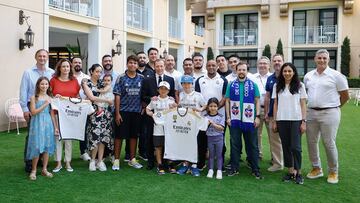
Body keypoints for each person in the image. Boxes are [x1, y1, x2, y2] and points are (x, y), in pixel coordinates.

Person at [304, 49, 349, 184]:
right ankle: (316, 168)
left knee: (329, 143)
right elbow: (307, 93)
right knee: (311, 142)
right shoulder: (308, 76)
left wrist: (334, 107)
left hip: (330, 113)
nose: (322, 60)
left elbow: (345, 96)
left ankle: (333, 171)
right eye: (319, 58)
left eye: (324, 58)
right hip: (311, 112)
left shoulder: (336, 75)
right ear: (315, 59)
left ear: (328, 60)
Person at [225, 61, 263, 179]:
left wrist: (257, 117)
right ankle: (234, 167)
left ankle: (255, 168)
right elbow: (227, 100)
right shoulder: (231, 84)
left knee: (252, 145)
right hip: (235, 120)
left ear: (247, 71)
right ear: (236, 71)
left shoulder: (253, 84)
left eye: (243, 70)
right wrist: (228, 117)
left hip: (250, 120)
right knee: (235, 144)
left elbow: (257, 101)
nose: (241, 72)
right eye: (239, 69)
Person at [19, 49, 54, 173]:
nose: (42, 58)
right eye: (40, 56)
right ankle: (29, 162)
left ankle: (42, 163)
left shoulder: (52, 72)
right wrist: (24, 109)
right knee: (32, 135)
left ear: (47, 58)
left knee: (45, 134)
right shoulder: (28, 72)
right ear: (36, 57)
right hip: (32, 105)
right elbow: (23, 91)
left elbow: (52, 90)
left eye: (44, 56)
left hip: (47, 106)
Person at [272, 63, 307, 184]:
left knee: (296, 147)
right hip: (282, 120)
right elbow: (275, 104)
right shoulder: (277, 86)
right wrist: (275, 121)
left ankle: (299, 172)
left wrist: (303, 121)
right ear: (282, 73)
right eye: (285, 71)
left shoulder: (300, 85)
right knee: (286, 146)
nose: (287, 73)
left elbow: (303, 104)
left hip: (296, 120)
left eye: (289, 71)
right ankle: (290, 171)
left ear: (294, 72)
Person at [141, 59, 175, 170]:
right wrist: (151, 98)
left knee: (167, 139)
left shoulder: (170, 79)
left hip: (167, 117)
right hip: (153, 114)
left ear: (164, 66)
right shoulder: (147, 80)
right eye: (157, 66)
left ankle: (165, 162)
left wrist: (171, 99)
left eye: (161, 66)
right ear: (154, 67)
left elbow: (173, 94)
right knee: (151, 138)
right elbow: (143, 95)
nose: (159, 68)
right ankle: (151, 161)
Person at [113, 55, 144, 170]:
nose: (133, 65)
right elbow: (117, 96)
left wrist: (143, 107)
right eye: (131, 62)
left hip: (136, 112)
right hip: (123, 111)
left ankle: (132, 159)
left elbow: (143, 96)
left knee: (133, 136)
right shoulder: (121, 78)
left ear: (137, 65)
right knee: (119, 136)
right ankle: (116, 160)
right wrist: (117, 113)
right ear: (127, 64)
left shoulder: (141, 78)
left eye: (135, 63)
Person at [195, 60, 228, 170]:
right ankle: (201, 162)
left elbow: (224, 97)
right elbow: (197, 97)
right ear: (206, 66)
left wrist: (214, 109)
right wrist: (206, 109)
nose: (211, 67)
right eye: (209, 65)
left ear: (217, 66)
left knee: (219, 140)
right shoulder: (200, 80)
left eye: (213, 65)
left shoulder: (223, 80)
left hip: (219, 115)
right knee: (202, 140)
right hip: (203, 116)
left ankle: (220, 164)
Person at [50, 59, 80, 173]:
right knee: (57, 138)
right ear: (59, 68)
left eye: (67, 66)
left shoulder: (74, 81)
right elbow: (49, 95)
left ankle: (68, 162)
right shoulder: (53, 80)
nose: (65, 68)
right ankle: (58, 163)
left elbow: (77, 97)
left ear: (70, 68)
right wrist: (55, 96)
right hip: (57, 114)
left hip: (70, 115)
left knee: (68, 139)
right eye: (63, 66)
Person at [82, 64, 114, 172]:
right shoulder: (86, 83)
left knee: (103, 137)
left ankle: (100, 161)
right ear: (91, 71)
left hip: (105, 114)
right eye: (96, 71)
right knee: (94, 137)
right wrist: (107, 101)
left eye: (100, 72)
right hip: (94, 113)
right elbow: (91, 97)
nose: (99, 74)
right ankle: (92, 160)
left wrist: (108, 100)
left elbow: (108, 90)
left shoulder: (102, 82)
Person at [26, 77, 57, 180]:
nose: (44, 86)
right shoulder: (34, 97)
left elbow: (52, 114)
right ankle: (34, 170)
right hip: (37, 124)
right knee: (37, 146)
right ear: (38, 85)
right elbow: (33, 112)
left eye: (46, 84)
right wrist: (45, 104)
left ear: (49, 86)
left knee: (47, 146)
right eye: (42, 84)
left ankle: (44, 169)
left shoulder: (50, 97)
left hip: (48, 124)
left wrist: (55, 127)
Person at [177, 75, 207, 176]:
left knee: (195, 144)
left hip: (196, 124)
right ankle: (185, 164)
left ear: (192, 84)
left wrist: (201, 110)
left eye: (188, 83)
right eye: (184, 83)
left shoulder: (198, 95)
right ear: (182, 84)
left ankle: (194, 165)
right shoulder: (181, 95)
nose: (186, 85)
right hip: (185, 124)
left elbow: (205, 105)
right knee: (185, 144)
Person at [146, 81, 176, 175]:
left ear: (168, 90)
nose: (163, 90)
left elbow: (176, 111)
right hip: (158, 126)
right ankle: (160, 165)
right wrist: (151, 114)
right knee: (158, 146)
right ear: (158, 89)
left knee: (170, 145)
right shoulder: (154, 100)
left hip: (169, 127)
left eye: (165, 89)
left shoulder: (171, 100)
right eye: (161, 88)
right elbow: (147, 109)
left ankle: (171, 164)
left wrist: (175, 106)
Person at [264, 54, 284, 172]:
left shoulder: (288, 75)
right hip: (273, 115)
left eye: (279, 60)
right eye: (275, 61)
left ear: (283, 61)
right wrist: (267, 112)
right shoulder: (270, 78)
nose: (277, 62)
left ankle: (290, 164)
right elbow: (267, 97)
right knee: (275, 141)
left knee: (287, 141)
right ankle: (277, 163)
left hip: (287, 115)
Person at [71, 56, 91, 161]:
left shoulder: (87, 77)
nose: (77, 64)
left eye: (79, 62)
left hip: (84, 108)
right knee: (69, 130)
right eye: (75, 62)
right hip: (70, 107)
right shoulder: (68, 77)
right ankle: (67, 154)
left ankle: (83, 152)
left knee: (84, 130)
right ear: (72, 64)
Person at [253, 56, 272, 160]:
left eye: (265, 63)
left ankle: (274, 156)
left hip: (270, 110)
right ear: (257, 65)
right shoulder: (252, 77)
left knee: (272, 135)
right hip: (257, 109)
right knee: (257, 134)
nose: (262, 65)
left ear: (269, 66)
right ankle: (258, 154)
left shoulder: (273, 77)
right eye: (260, 63)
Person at [205, 98, 225, 180]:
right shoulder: (205, 116)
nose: (213, 108)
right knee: (211, 155)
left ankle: (219, 170)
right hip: (210, 138)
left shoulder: (221, 116)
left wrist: (213, 123)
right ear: (208, 107)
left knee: (219, 155)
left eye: (215, 106)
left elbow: (221, 128)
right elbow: (202, 127)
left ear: (218, 107)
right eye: (211, 106)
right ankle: (210, 170)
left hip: (219, 138)